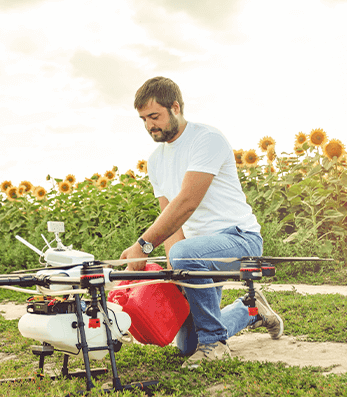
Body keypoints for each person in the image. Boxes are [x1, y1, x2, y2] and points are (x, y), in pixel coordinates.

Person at [119, 76, 284, 369]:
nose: (149, 126)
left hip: (239, 238)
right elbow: (169, 218)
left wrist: (144, 245)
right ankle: (251, 308)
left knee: (186, 256)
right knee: (186, 345)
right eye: (143, 119)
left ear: (176, 107)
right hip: (196, 253)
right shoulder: (155, 160)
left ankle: (214, 346)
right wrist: (175, 270)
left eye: (154, 116)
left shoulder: (206, 139)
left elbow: (187, 203)